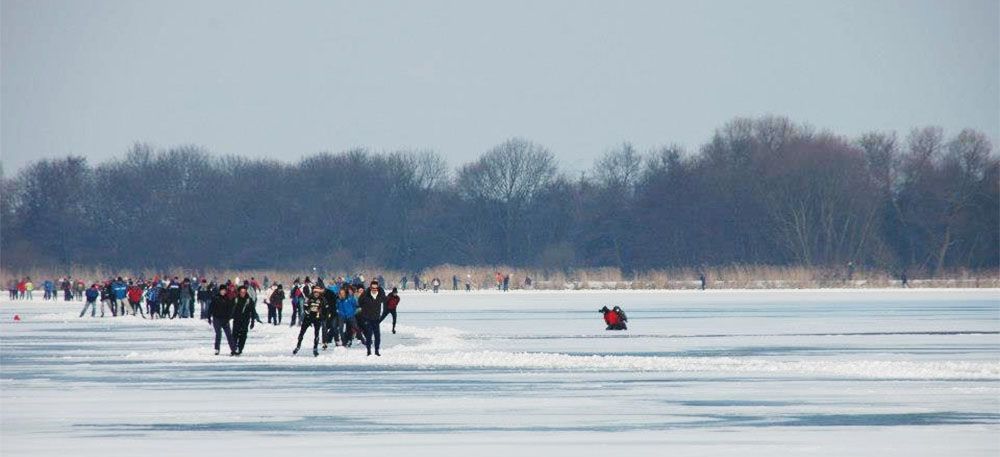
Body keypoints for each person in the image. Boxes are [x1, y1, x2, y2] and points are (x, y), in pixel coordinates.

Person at [293, 285, 326, 357]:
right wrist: (307, 312)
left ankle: (315, 348)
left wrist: (322, 315)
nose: (316, 294)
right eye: (315, 292)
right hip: (308, 317)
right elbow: (304, 307)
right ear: (313, 292)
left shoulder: (322, 299)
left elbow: (325, 309)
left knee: (316, 333)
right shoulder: (309, 298)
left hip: (317, 318)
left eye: (318, 292)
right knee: (302, 332)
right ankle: (298, 346)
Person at [357, 280, 386, 356]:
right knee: (369, 335)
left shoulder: (380, 295)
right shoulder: (366, 295)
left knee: (377, 336)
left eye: (376, 288)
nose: (374, 289)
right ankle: (368, 351)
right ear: (370, 287)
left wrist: (381, 290)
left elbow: (385, 299)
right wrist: (364, 293)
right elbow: (360, 302)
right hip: (367, 318)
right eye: (373, 288)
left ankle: (376, 351)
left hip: (376, 318)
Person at [232, 286, 262, 356]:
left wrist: (252, 322)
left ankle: (240, 348)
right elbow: (230, 309)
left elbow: (253, 311)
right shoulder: (235, 299)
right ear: (239, 292)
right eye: (241, 292)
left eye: (244, 292)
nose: (243, 293)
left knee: (243, 335)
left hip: (245, 320)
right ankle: (234, 348)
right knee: (234, 335)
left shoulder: (249, 300)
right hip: (237, 320)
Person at [209, 286, 237, 356]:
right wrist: (209, 317)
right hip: (217, 319)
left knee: (229, 335)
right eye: (222, 290)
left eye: (224, 290)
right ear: (220, 291)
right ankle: (217, 349)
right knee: (218, 334)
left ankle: (233, 349)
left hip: (225, 319)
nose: (223, 292)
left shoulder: (227, 299)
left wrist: (230, 317)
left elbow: (230, 309)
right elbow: (211, 308)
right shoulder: (215, 298)